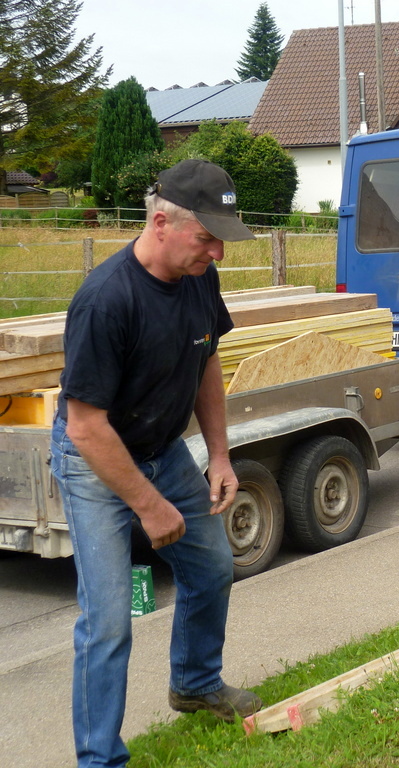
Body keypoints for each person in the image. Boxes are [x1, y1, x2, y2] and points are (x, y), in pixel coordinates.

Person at [49, 159, 262, 768]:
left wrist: (218, 454)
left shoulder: (199, 279)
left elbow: (207, 360)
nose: (218, 252)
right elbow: (85, 426)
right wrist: (148, 505)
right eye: (207, 237)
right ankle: (99, 760)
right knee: (109, 619)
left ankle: (195, 683)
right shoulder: (106, 300)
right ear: (161, 223)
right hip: (96, 461)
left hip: (163, 450)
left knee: (212, 567)